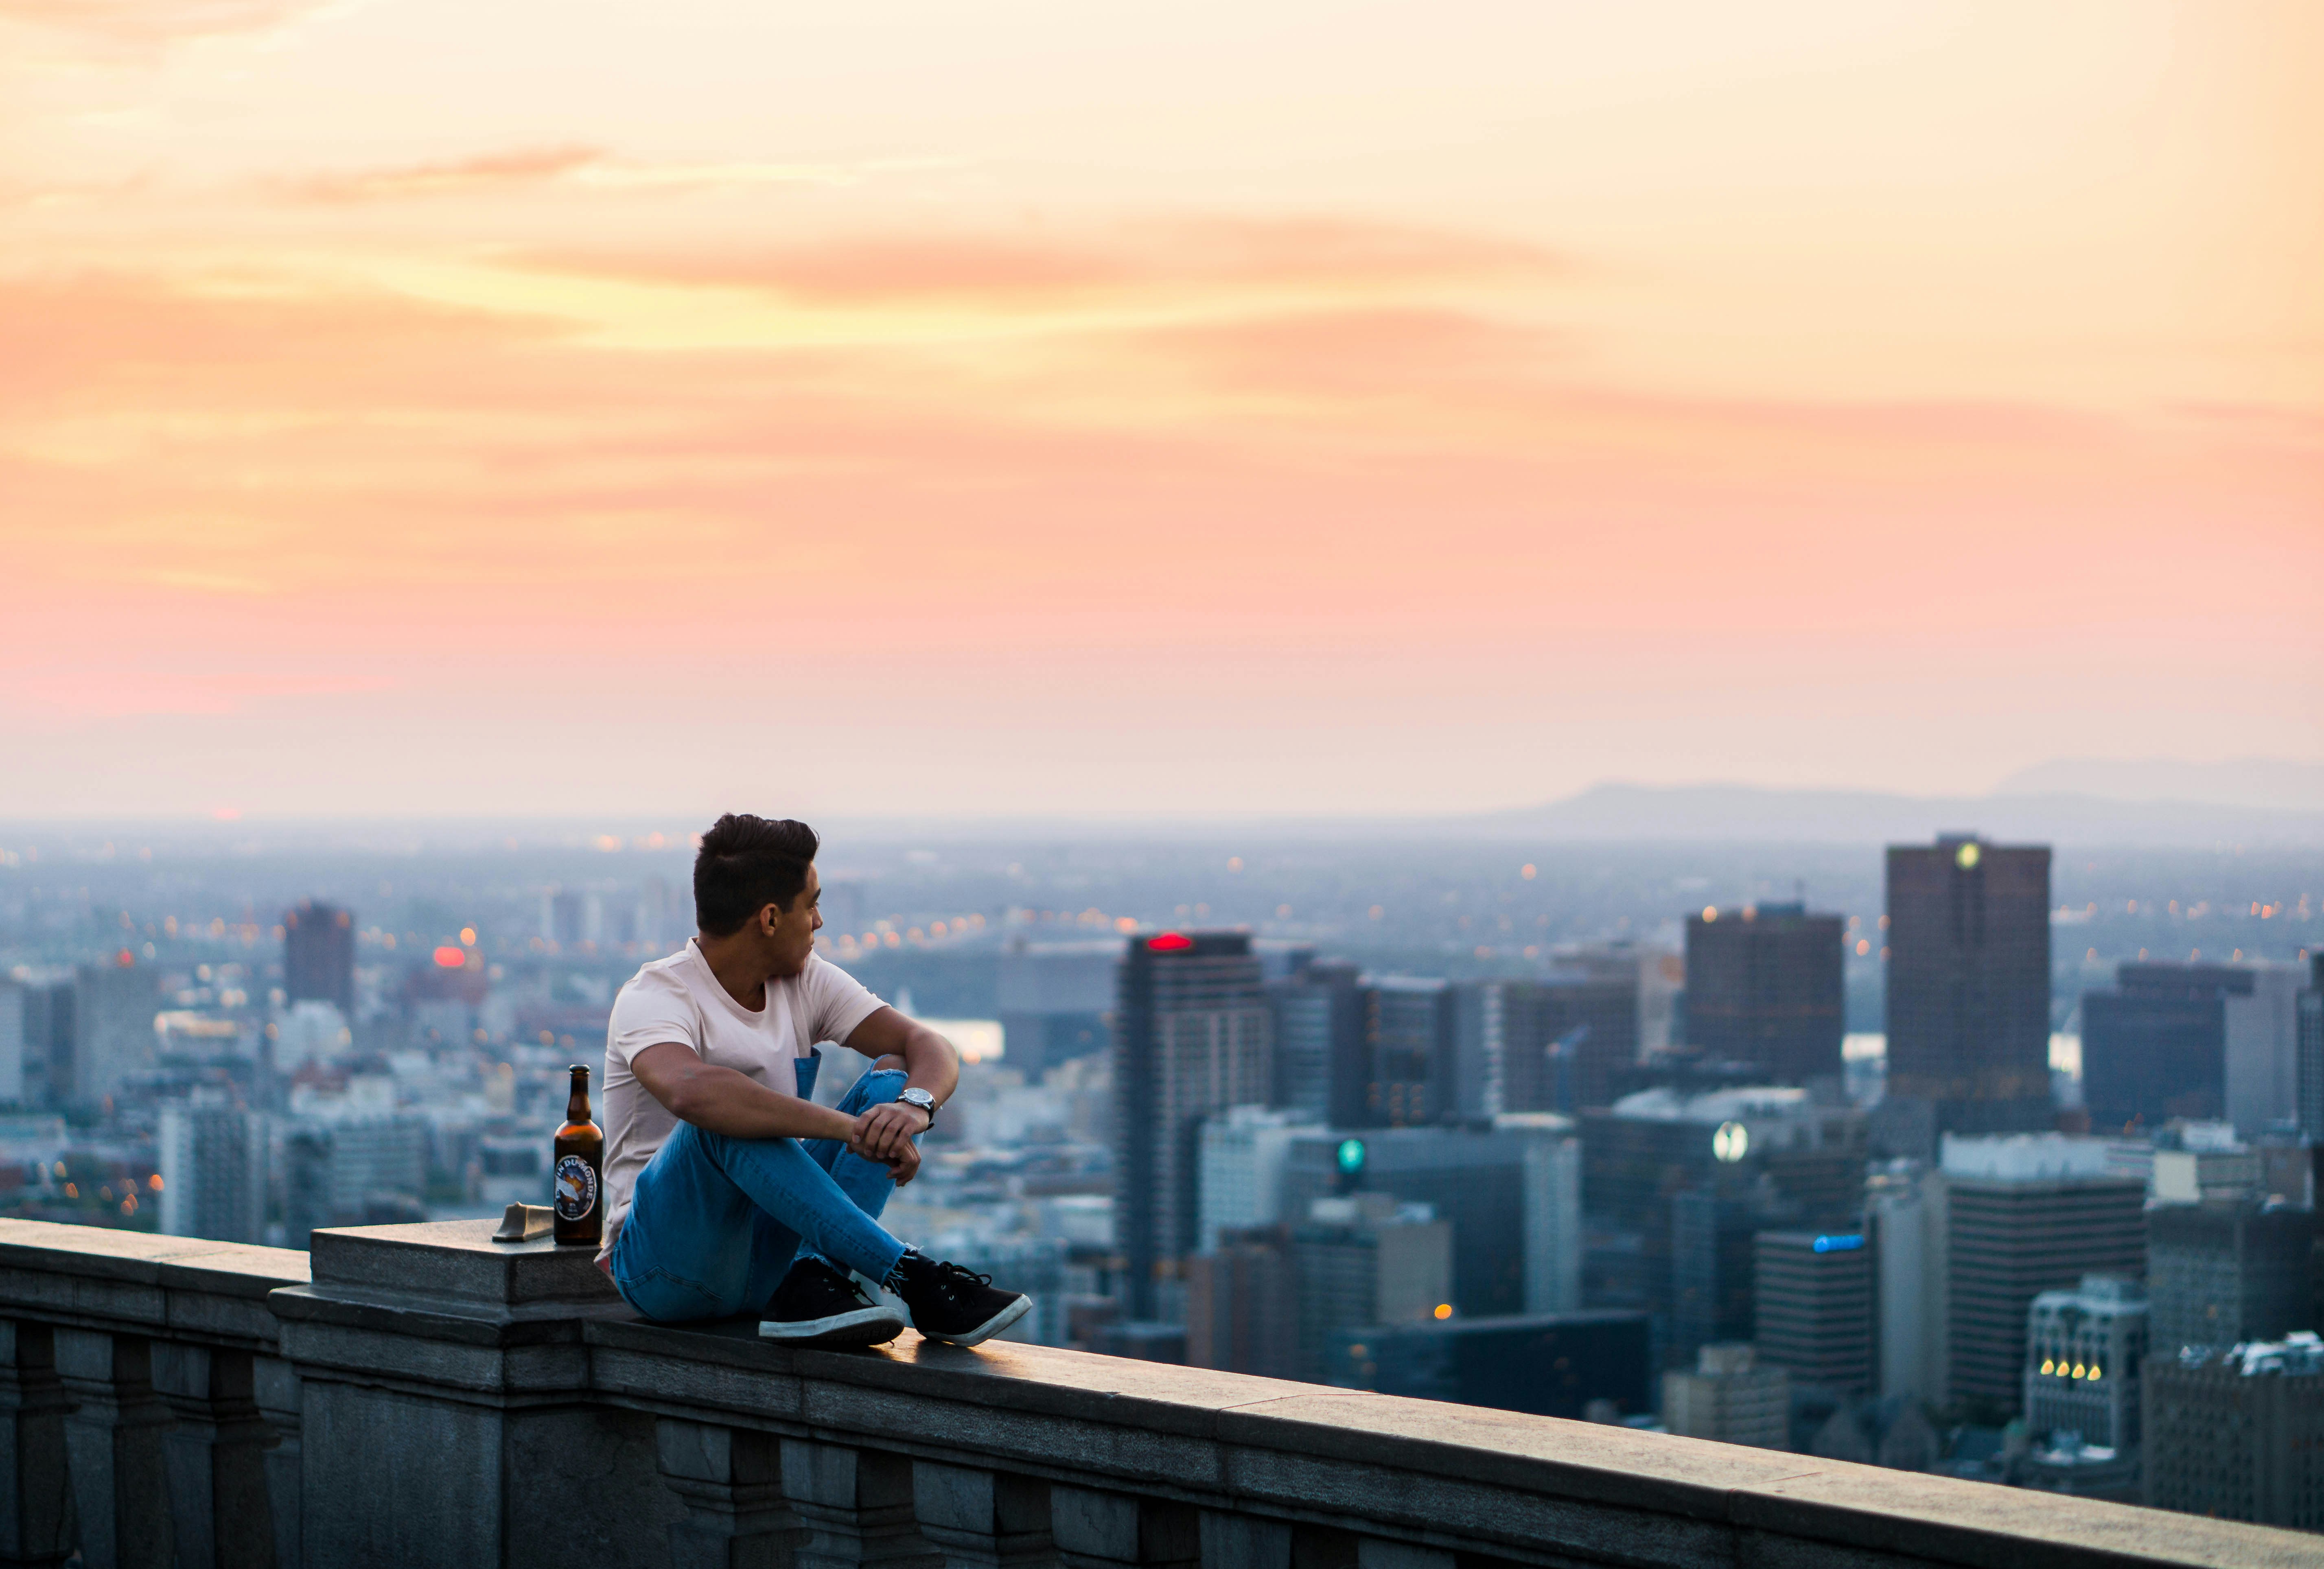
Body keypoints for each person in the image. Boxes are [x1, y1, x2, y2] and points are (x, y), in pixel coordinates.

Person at [598, 812, 1030, 1348]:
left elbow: (927, 1047)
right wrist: (849, 1130)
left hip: (772, 1264)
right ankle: (910, 1277)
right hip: (667, 1272)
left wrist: (914, 1106)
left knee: (891, 1079)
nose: (820, 922)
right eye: (813, 904)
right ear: (772, 918)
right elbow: (690, 1091)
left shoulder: (805, 981)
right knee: (718, 1119)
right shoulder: (656, 997)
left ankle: (811, 1278)